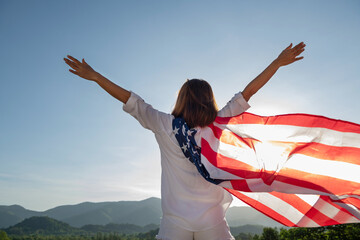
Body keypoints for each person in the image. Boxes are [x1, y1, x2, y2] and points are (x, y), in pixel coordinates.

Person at [64, 42, 305, 240]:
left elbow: (131, 100)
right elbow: (248, 92)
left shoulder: (164, 124)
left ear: (181, 99)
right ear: (209, 100)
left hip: (174, 221)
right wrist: (276, 63)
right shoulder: (219, 122)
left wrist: (95, 76)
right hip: (213, 219)